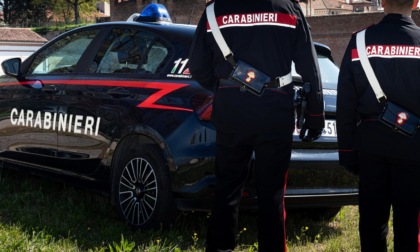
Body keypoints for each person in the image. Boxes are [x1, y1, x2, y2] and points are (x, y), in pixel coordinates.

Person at [188, 0, 325, 251]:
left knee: (227, 188)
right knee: (272, 192)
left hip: (231, 112)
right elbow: (309, 64)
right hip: (274, 111)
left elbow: (197, 66)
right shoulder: (288, 8)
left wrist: (224, 89)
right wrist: (316, 113)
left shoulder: (213, 11)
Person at [336, 0, 420, 250]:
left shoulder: (360, 42)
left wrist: (347, 153)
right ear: (416, 2)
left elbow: (346, 103)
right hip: (414, 148)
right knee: (410, 226)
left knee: (372, 225)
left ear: (382, 2)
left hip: (371, 148)